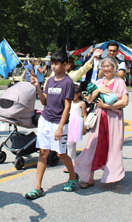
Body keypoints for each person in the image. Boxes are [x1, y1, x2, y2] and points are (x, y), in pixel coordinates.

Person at [24, 50, 78, 199]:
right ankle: (37, 187)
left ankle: (73, 177)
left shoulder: (68, 83)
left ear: (66, 65)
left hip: (58, 122)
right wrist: (37, 87)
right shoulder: (50, 80)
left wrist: (60, 127)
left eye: (56, 63)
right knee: (43, 152)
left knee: (61, 154)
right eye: (52, 63)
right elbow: (44, 101)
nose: (53, 66)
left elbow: (67, 107)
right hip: (45, 119)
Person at [74, 56, 129, 188]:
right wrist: (98, 90)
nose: (106, 69)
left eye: (108, 66)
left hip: (113, 119)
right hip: (99, 118)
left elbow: (125, 101)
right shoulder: (98, 82)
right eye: (104, 67)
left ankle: (111, 175)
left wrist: (108, 106)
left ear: (114, 67)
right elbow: (88, 99)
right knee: (93, 145)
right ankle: (88, 178)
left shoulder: (120, 82)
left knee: (113, 146)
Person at [63, 84, 87, 172]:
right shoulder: (70, 102)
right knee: (69, 144)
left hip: (76, 123)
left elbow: (85, 116)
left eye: (74, 94)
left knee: (70, 143)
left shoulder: (82, 103)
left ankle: (71, 163)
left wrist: (84, 127)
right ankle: (73, 162)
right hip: (69, 122)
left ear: (79, 94)